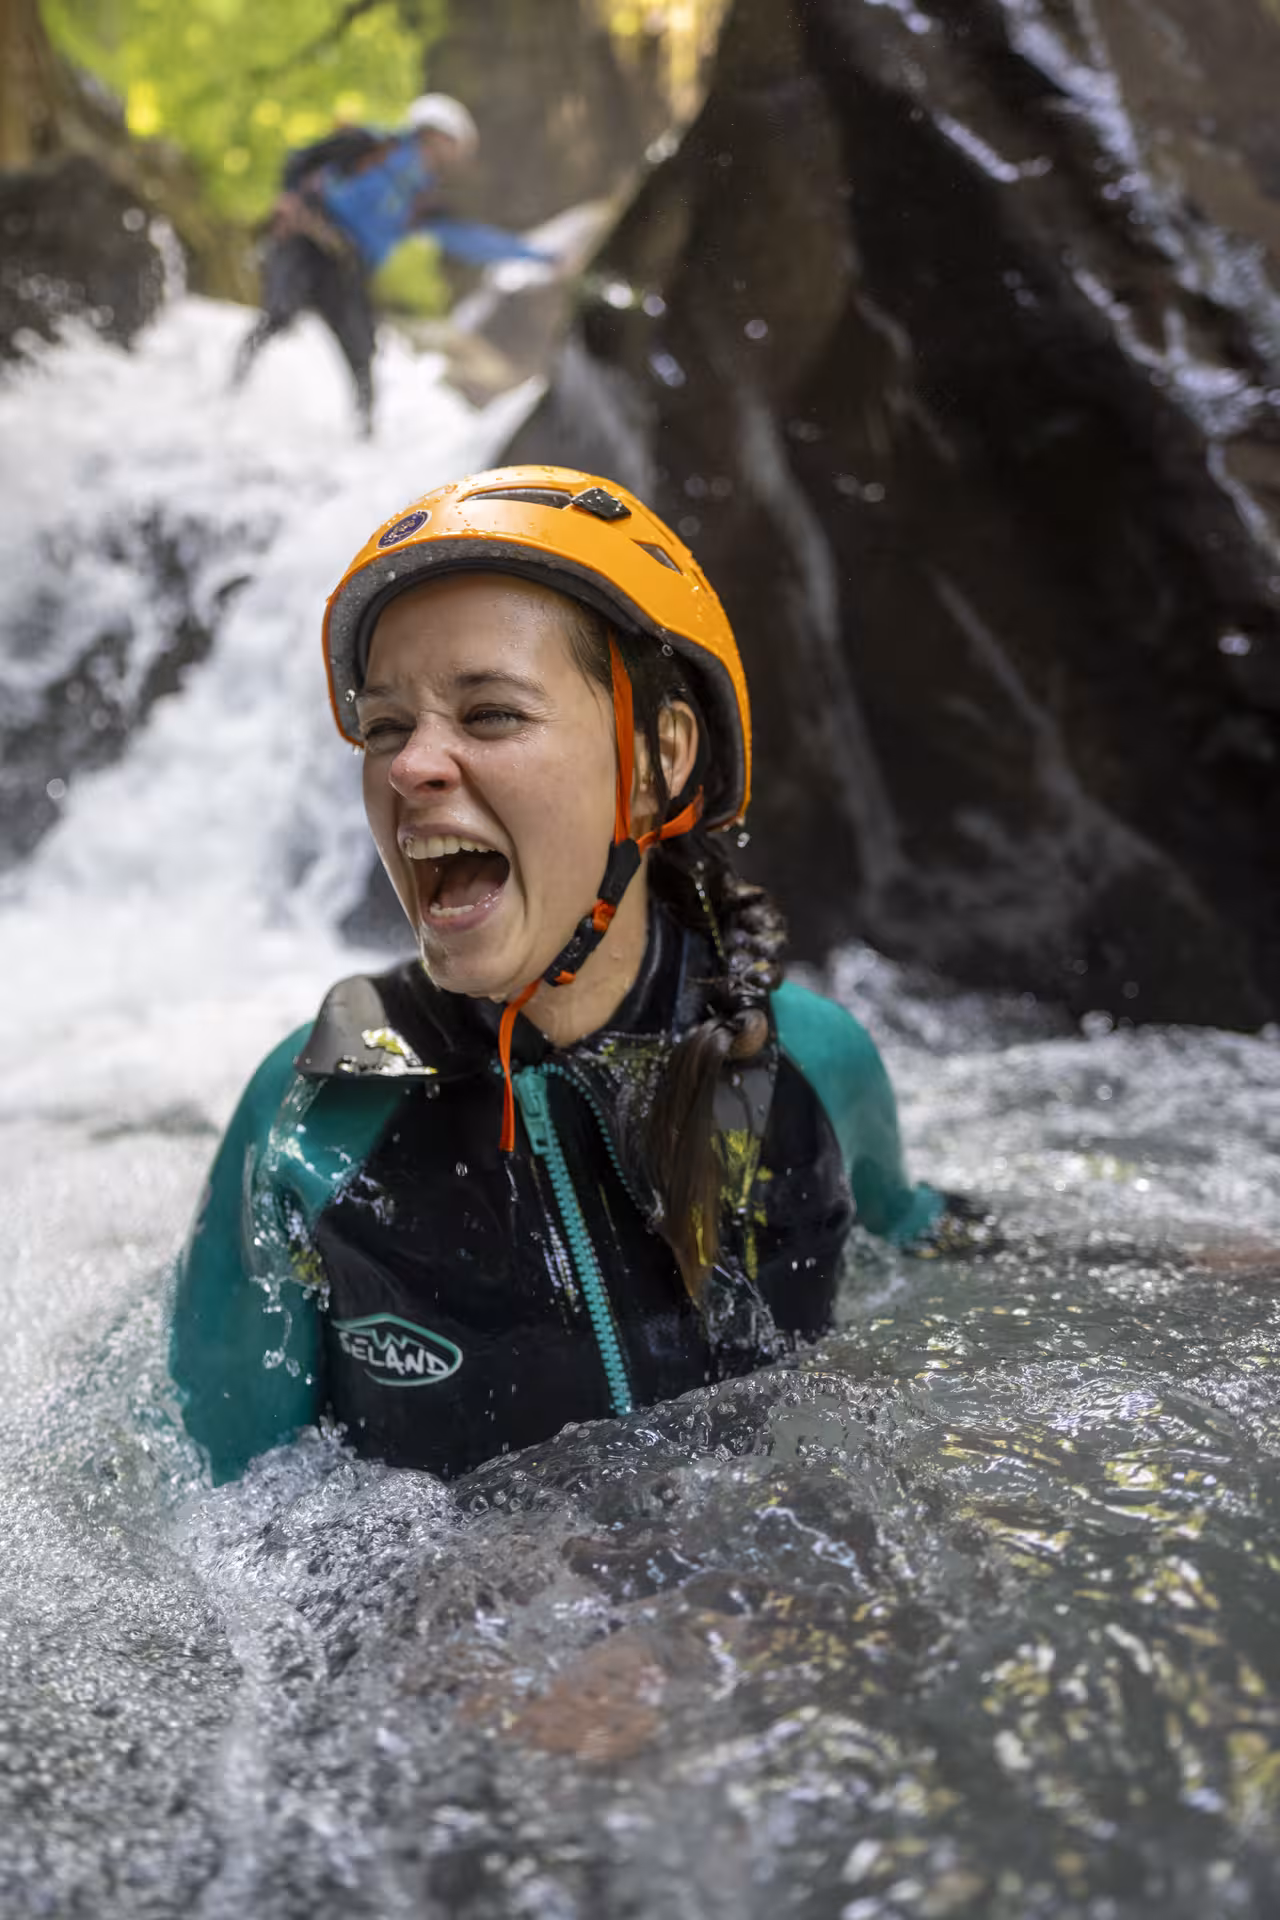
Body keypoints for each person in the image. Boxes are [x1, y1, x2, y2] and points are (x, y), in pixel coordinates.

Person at [170, 464, 945, 1484]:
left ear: (655, 762)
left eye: (489, 714)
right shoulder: (312, 1113)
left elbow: (919, 1247)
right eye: (386, 726)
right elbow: (210, 1516)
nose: (408, 768)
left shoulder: (808, 1060)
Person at [230, 94, 553, 433]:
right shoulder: (369, 145)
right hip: (306, 240)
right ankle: (234, 387)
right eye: (454, 143)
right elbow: (301, 159)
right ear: (435, 133)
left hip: (347, 269)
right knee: (280, 312)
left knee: (362, 351)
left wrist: (539, 258)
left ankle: (363, 432)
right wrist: (289, 196)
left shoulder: (422, 199)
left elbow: (470, 239)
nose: (457, 154)